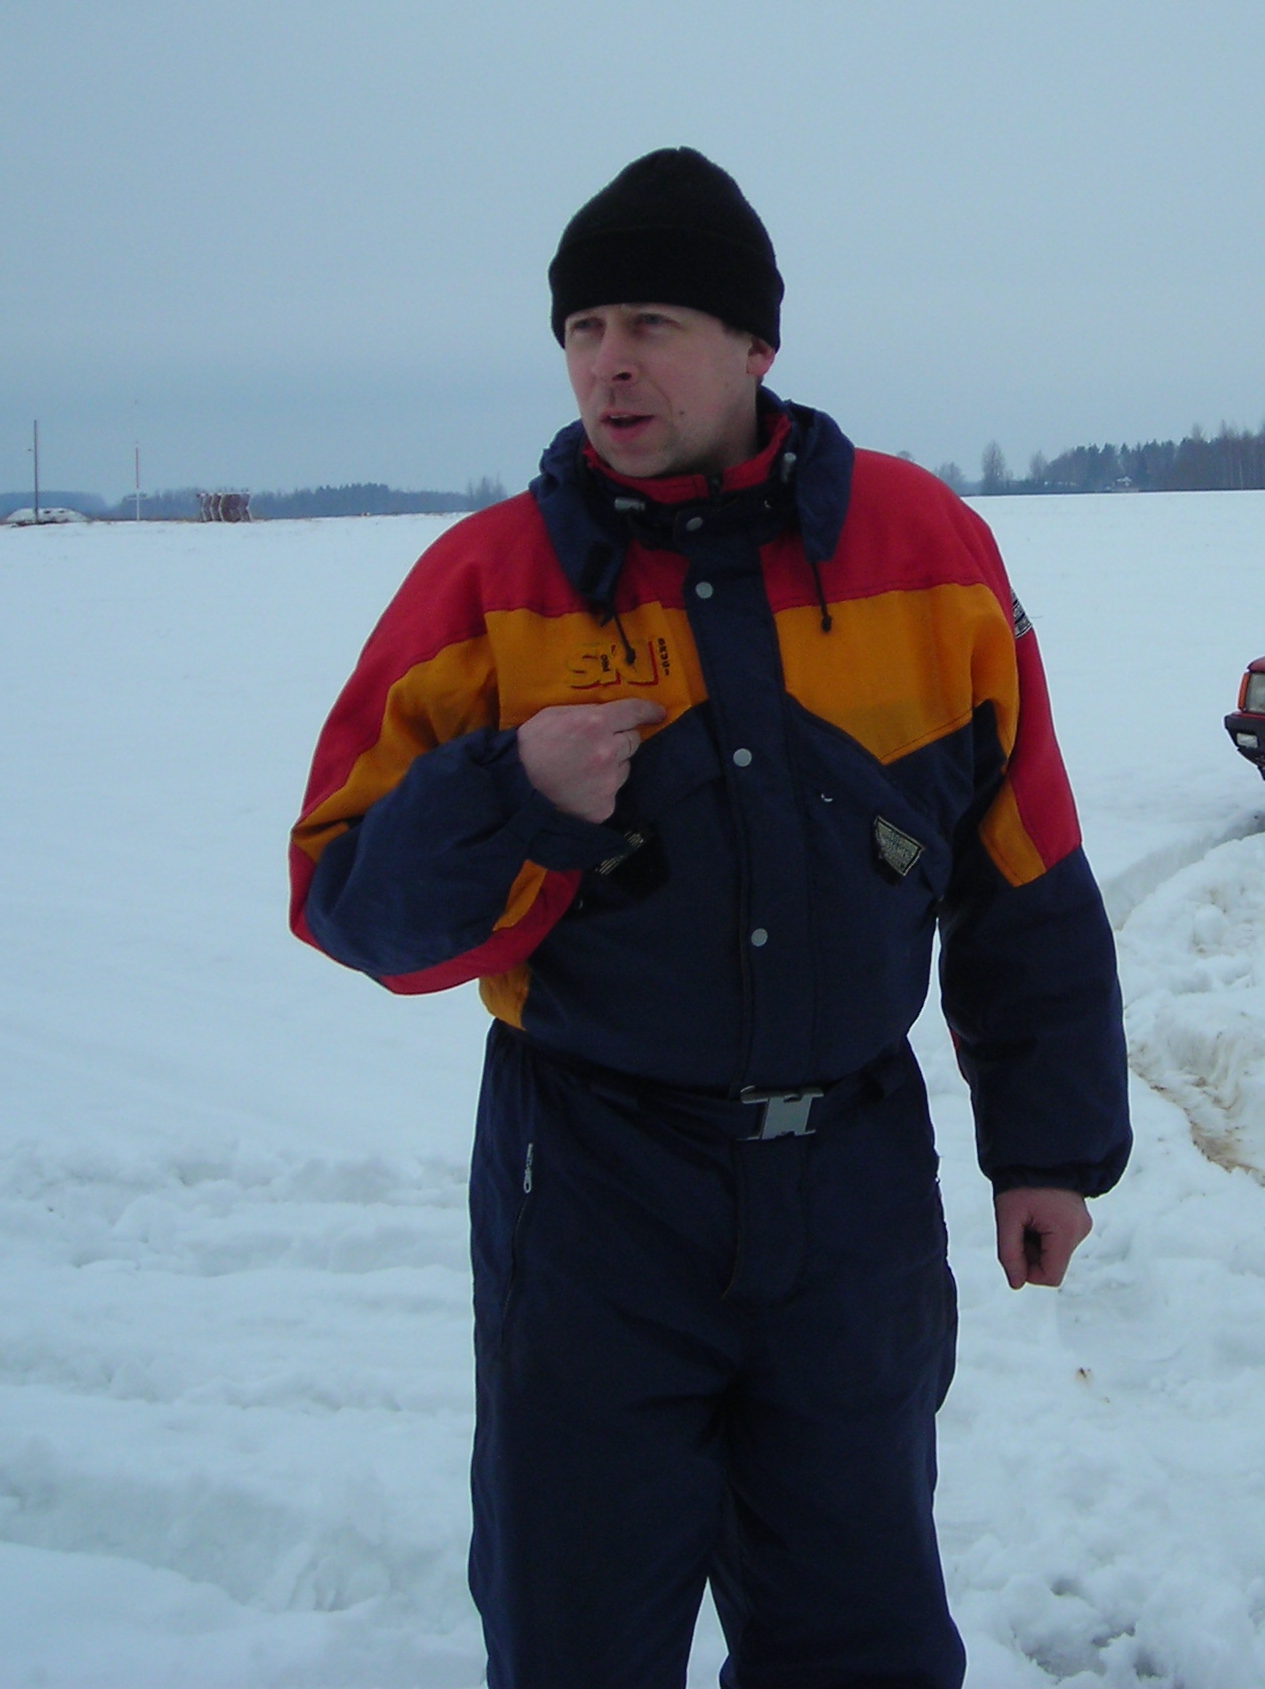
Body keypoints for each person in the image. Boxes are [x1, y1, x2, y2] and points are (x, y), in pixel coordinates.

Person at [288, 147, 1130, 1689]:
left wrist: (1052, 1146)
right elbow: (350, 902)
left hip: (853, 1190)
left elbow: (1024, 870)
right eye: (584, 325)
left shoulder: (925, 549)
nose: (610, 359)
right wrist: (512, 793)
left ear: (756, 346)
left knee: (861, 1628)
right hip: (594, 1187)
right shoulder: (489, 585)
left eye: (654, 321)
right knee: (578, 1624)